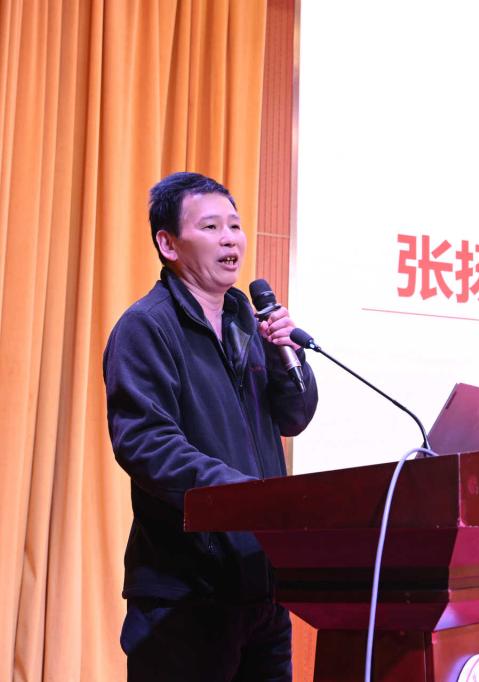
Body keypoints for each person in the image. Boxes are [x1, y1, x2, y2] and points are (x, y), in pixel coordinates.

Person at [103, 172, 318, 681]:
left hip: (262, 586)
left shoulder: (249, 320)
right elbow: (146, 445)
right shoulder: (147, 326)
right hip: (186, 596)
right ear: (168, 244)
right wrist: (248, 497)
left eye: (235, 226)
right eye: (211, 227)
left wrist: (286, 354)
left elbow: (295, 416)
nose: (230, 239)